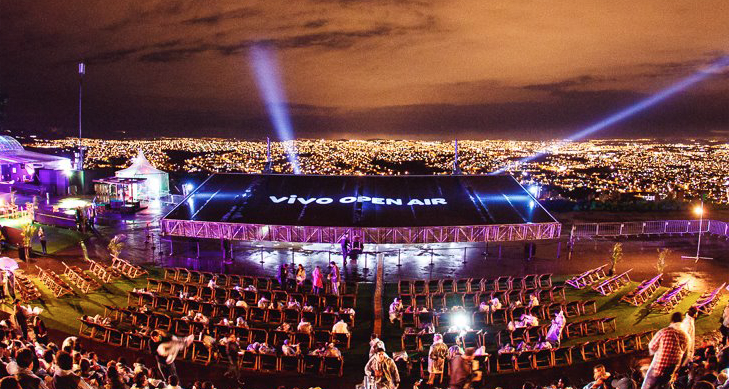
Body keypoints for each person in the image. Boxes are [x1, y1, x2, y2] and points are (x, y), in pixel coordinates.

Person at [642, 312, 689, 389]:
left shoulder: (664, 331)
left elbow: (652, 346)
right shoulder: (686, 336)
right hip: (671, 370)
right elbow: (685, 355)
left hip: (657, 367)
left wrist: (656, 352)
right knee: (665, 384)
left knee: (647, 386)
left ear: (672, 321)